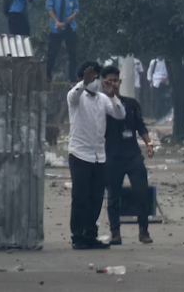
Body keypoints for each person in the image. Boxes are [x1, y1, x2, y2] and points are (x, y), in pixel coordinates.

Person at [67, 61, 126, 250]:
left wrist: (114, 95)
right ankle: (77, 236)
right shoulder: (76, 96)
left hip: (99, 156)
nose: (94, 81)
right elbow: (74, 95)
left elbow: (119, 114)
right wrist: (83, 83)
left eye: (96, 77)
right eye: (91, 77)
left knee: (96, 198)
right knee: (80, 197)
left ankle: (91, 235)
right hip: (80, 154)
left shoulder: (103, 99)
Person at [102, 65, 154, 245]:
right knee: (113, 196)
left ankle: (144, 231)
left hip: (132, 155)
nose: (113, 85)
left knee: (141, 192)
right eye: (109, 81)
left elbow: (140, 126)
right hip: (112, 156)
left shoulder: (131, 103)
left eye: (115, 81)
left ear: (120, 82)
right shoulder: (101, 105)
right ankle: (115, 232)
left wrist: (148, 144)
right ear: (103, 83)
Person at [45, 0, 80, 82]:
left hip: (69, 25)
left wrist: (72, 16)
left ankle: (72, 77)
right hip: (56, 27)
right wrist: (56, 21)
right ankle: (48, 76)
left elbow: (76, 8)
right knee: (52, 52)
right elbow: (49, 8)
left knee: (73, 53)